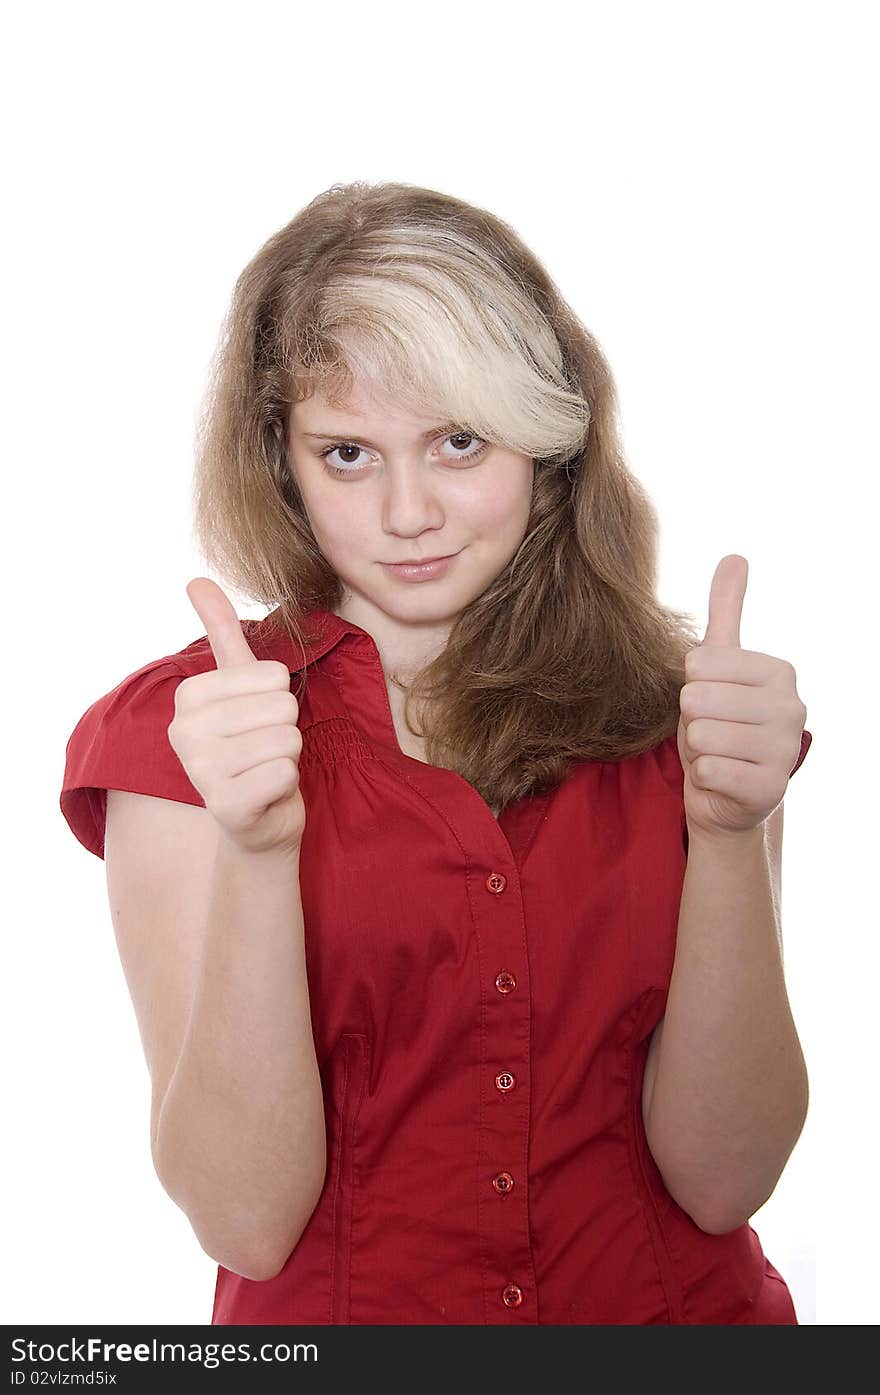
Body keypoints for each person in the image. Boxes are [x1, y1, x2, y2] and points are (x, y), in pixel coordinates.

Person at [59, 179, 813, 1325]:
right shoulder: (194, 732)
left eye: (459, 441)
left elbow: (723, 1181)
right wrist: (259, 851)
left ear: (549, 440)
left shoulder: (692, 715)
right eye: (348, 453)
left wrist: (728, 831)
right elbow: (245, 1222)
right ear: (282, 461)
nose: (407, 511)